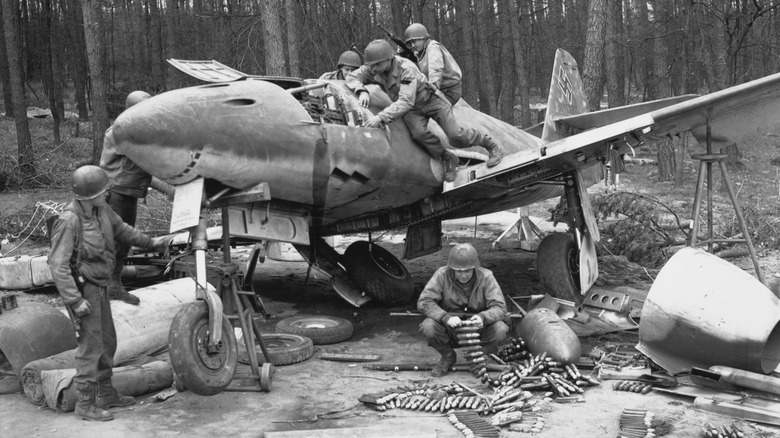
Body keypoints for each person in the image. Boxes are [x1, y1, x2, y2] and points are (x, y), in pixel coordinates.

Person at [48, 165, 166, 421]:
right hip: (83, 288)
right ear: (90, 195)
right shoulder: (69, 222)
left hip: (100, 285)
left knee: (108, 341)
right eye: (103, 190)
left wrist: (152, 242)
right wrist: (74, 300)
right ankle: (85, 403)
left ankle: (106, 393)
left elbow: (123, 230)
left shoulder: (102, 210)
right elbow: (57, 265)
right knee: (91, 346)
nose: (108, 192)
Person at [346, 39, 504, 182]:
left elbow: (406, 101)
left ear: (389, 59)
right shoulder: (374, 68)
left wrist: (380, 117)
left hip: (431, 101)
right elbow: (352, 77)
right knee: (418, 135)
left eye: (377, 65)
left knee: (455, 135)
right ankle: (447, 157)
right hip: (414, 109)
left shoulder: (406, 69)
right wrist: (362, 91)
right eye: (371, 65)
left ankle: (490, 145)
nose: (372, 69)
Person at [417, 243, 509, 377]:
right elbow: (424, 301)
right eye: (459, 271)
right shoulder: (441, 275)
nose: (464, 275)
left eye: (467, 271)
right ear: (452, 268)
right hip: (450, 327)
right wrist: (445, 317)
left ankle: (478, 358)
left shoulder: (486, 276)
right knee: (428, 326)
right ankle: (448, 356)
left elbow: (500, 307)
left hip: (478, 328)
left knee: (500, 329)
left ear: (475, 268)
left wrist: (483, 317)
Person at [99, 90, 153, 305]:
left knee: (121, 241)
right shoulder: (121, 132)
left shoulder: (134, 129)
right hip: (117, 193)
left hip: (127, 192)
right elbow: (147, 158)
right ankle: (108, 287)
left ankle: (111, 285)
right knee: (116, 240)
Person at [404, 23, 462, 105]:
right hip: (441, 89)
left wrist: (433, 87)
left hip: (448, 92)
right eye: (410, 43)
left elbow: (436, 69)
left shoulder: (433, 48)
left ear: (423, 38)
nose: (413, 45)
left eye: (414, 41)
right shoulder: (421, 52)